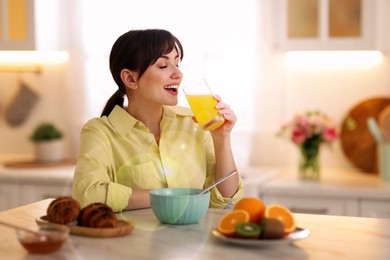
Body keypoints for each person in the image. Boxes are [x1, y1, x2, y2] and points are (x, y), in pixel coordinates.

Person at [72, 29, 243, 212]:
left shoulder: (195, 123)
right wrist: (168, 197)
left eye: (177, 63)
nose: (178, 74)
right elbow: (88, 195)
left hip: (194, 239)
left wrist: (222, 139)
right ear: (130, 78)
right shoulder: (100, 132)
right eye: (163, 66)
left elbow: (225, 201)